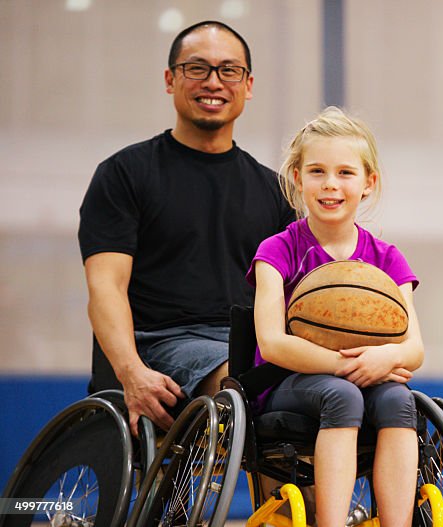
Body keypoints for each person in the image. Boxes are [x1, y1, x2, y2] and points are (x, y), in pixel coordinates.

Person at [78, 20, 293, 435]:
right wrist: (130, 371)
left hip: (248, 347)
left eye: (228, 70)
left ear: (248, 85)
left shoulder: (276, 191)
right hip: (157, 345)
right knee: (253, 378)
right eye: (197, 68)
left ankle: (312, 505)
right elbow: (104, 288)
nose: (213, 82)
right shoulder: (125, 174)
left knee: (320, 388)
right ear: (170, 79)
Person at [248, 106, 423, 527]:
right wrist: (349, 367)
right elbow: (272, 343)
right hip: (286, 382)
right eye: (317, 172)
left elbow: (413, 349)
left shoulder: (386, 258)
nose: (331, 185)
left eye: (345, 173)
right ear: (297, 177)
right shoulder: (277, 249)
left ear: (368, 183)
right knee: (341, 394)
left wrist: (385, 360)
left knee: (401, 399)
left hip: (366, 378)